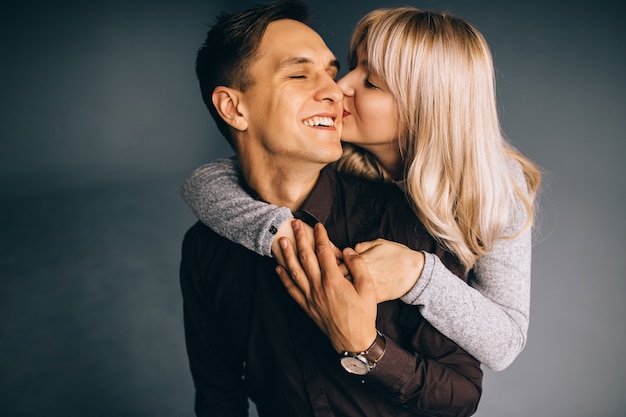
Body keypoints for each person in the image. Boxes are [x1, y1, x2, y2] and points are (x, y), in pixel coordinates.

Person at [182, 6, 542, 372]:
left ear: (424, 105)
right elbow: (206, 183)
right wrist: (282, 233)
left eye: (370, 82)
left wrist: (418, 276)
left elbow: (505, 343)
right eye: (353, 66)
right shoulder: (334, 153)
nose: (339, 88)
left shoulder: (494, 187)